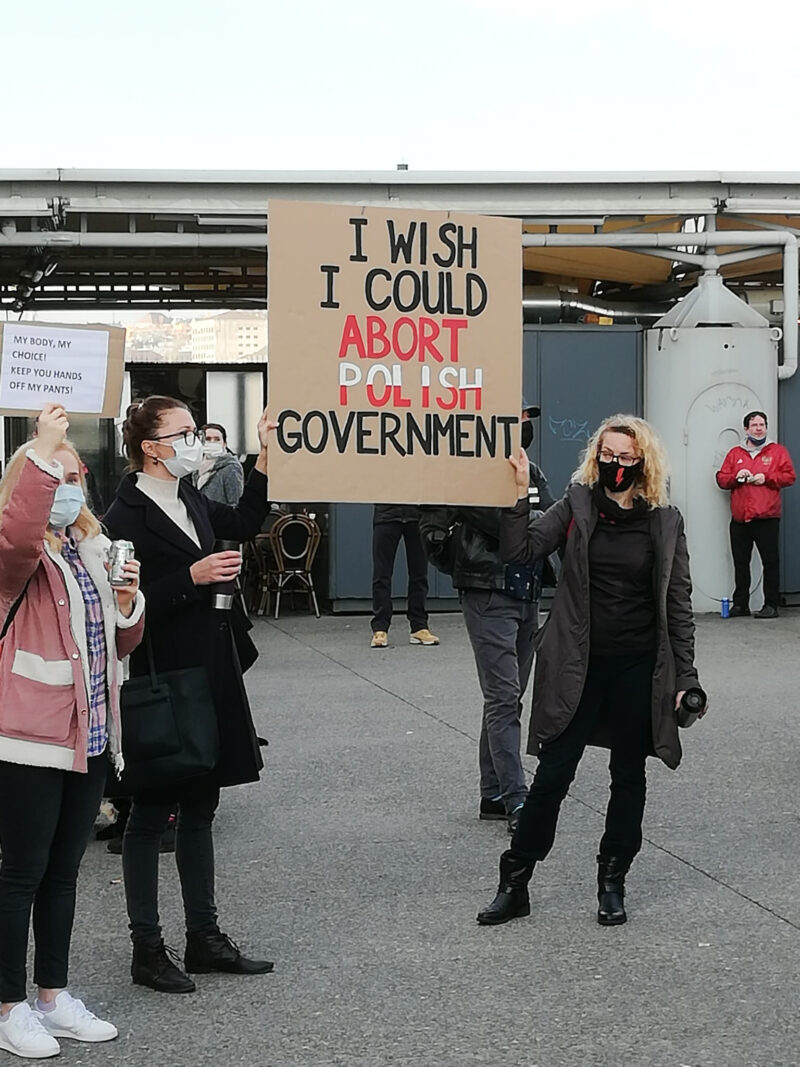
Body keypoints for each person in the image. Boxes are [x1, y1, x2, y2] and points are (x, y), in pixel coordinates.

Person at [477, 414, 701, 927]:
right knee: (554, 773)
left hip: (638, 668)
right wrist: (518, 495)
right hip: (577, 665)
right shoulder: (577, 504)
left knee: (628, 775)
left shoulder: (664, 520)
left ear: (642, 462)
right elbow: (521, 550)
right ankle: (516, 880)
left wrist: (685, 677)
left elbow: (678, 603)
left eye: (625, 458)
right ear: (595, 455)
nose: (614, 466)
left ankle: (612, 881)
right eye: (607, 455)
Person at [103, 395, 275, 994]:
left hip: (210, 668)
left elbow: (245, 523)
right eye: (183, 433)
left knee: (202, 806)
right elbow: (120, 599)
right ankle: (147, 948)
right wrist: (191, 579)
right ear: (151, 447)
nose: (195, 442)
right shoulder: (121, 516)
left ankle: (204, 936)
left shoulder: (190, 497)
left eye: (196, 431)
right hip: (161, 674)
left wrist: (265, 453)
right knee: (150, 815)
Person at [0, 403, 144, 1059]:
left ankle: (52, 996)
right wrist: (42, 447)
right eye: (53, 479)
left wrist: (126, 604)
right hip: (30, 735)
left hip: (87, 734)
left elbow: (119, 642)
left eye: (71, 477)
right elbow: (17, 538)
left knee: (63, 873)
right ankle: (9, 1006)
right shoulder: (15, 553)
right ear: (29, 484)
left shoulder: (91, 547)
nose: (67, 490)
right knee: (20, 873)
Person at [420, 402, 553, 833]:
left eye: (527, 419)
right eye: (516, 418)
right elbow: (512, 524)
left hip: (527, 591)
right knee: (502, 697)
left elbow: (551, 521)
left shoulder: (531, 470)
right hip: (489, 591)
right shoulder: (472, 472)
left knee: (508, 698)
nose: (525, 426)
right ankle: (517, 799)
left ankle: (494, 792)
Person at [715, 411, 795, 618]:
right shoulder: (735, 453)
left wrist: (766, 477)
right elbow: (722, 479)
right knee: (740, 563)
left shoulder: (777, 451)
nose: (759, 428)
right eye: (754, 425)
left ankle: (771, 605)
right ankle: (741, 604)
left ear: (766, 428)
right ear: (746, 429)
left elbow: (789, 477)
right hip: (741, 518)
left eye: (762, 424)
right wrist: (736, 476)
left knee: (770, 562)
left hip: (766, 516)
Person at [369, 505, 439, 649]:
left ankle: (419, 627)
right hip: (387, 515)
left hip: (417, 516)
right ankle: (380, 628)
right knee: (382, 574)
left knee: (419, 574)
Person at [194, 423, 245, 506]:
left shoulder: (231, 467)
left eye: (217, 439)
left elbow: (235, 502)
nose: (212, 442)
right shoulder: (196, 466)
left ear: (224, 444)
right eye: (208, 439)